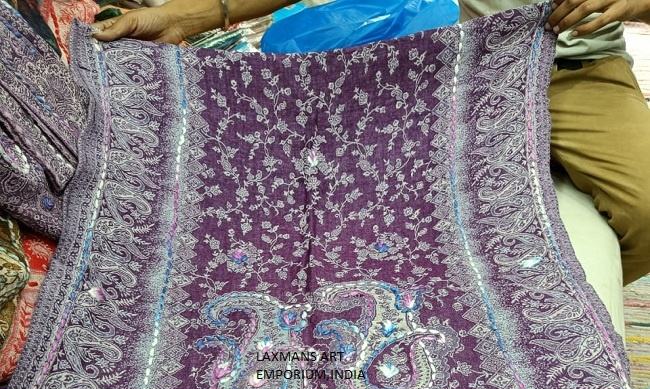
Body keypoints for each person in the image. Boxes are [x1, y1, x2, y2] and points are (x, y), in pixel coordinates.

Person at [93, 0, 650, 285]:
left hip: (578, 71)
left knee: (647, 208)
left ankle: (546, 323)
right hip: (460, 67)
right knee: (359, 213)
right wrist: (185, 16)